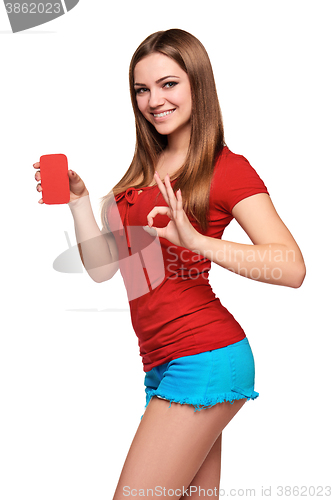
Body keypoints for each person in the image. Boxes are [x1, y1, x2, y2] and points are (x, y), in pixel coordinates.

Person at [34, 29, 306, 500]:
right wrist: (79, 203)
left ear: (197, 85)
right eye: (142, 89)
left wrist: (197, 241)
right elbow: (102, 269)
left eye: (168, 84)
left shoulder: (225, 168)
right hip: (161, 363)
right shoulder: (137, 179)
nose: (154, 100)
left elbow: (291, 268)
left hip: (204, 356)